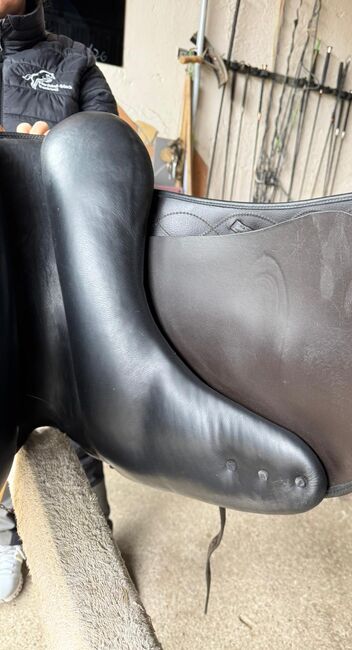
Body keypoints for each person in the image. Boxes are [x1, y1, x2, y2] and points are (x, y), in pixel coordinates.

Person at [0, 0, 117, 602]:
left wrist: (71, 151)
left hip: (58, 288)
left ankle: (93, 539)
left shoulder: (75, 63)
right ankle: (6, 534)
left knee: (77, 418)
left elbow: (116, 161)